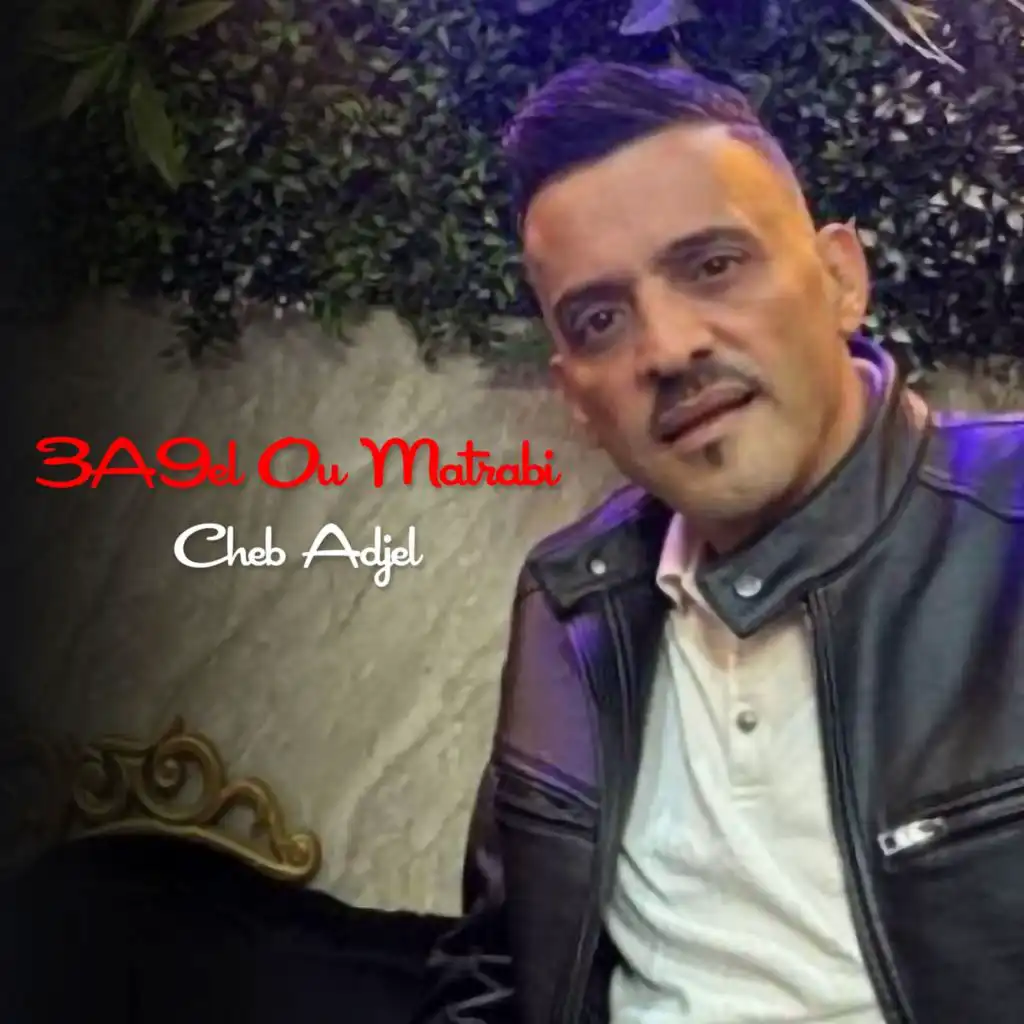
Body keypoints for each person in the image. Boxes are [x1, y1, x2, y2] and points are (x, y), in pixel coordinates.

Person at [415, 60, 1024, 1024]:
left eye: (712, 265)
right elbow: (497, 970)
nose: (667, 349)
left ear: (840, 279)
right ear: (576, 397)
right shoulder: (571, 602)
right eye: (601, 319)